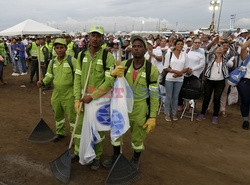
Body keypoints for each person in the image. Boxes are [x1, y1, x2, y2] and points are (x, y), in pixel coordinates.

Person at [102, 35, 159, 170]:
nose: (136, 49)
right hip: (122, 104)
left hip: (139, 108)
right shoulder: (124, 65)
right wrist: (113, 73)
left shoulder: (152, 70)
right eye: (134, 46)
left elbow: (154, 95)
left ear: (145, 50)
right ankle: (116, 157)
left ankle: (135, 159)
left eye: (140, 46)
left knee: (138, 137)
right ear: (131, 49)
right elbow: (112, 82)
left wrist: (152, 116)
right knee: (116, 131)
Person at [73, 25, 117, 170]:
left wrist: (93, 96)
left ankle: (96, 157)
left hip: (100, 100)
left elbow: (109, 82)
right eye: (93, 35)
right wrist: (77, 97)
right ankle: (79, 152)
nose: (95, 38)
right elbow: (77, 77)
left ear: (103, 39)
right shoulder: (81, 55)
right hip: (83, 99)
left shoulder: (107, 57)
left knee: (98, 129)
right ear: (89, 37)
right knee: (80, 127)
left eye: (98, 36)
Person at [37, 38, 77, 141]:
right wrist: (43, 81)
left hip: (70, 94)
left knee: (72, 117)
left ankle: (75, 137)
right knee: (58, 115)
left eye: (61, 48)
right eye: (57, 48)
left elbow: (78, 77)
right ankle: (60, 133)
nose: (59, 50)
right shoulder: (52, 62)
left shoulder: (72, 60)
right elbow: (49, 75)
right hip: (56, 93)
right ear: (54, 49)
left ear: (66, 48)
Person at [196, 46, 230, 124]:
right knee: (207, 97)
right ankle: (202, 113)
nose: (220, 49)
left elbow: (232, 53)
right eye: (218, 48)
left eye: (221, 48)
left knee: (217, 98)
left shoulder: (225, 58)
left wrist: (229, 43)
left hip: (220, 81)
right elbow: (209, 51)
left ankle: (215, 115)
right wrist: (217, 45)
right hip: (209, 80)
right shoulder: (211, 57)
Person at [163, 39, 190, 121]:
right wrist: (175, 71)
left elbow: (187, 68)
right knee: (168, 96)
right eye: (178, 44)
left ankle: (174, 113)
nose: (180, 45)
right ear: (175, 45)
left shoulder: (185, 55)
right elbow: (165, 68)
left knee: (176, 97)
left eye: (182, 44)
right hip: (169, 78)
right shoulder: (169, 54)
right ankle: (167, 113)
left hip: (179, 79)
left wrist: (179, 73)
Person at [237, 39, 250, 129]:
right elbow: (243, 47)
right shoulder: (247, 56)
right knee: (246, 101)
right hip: (246, 81)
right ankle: (245, 120)